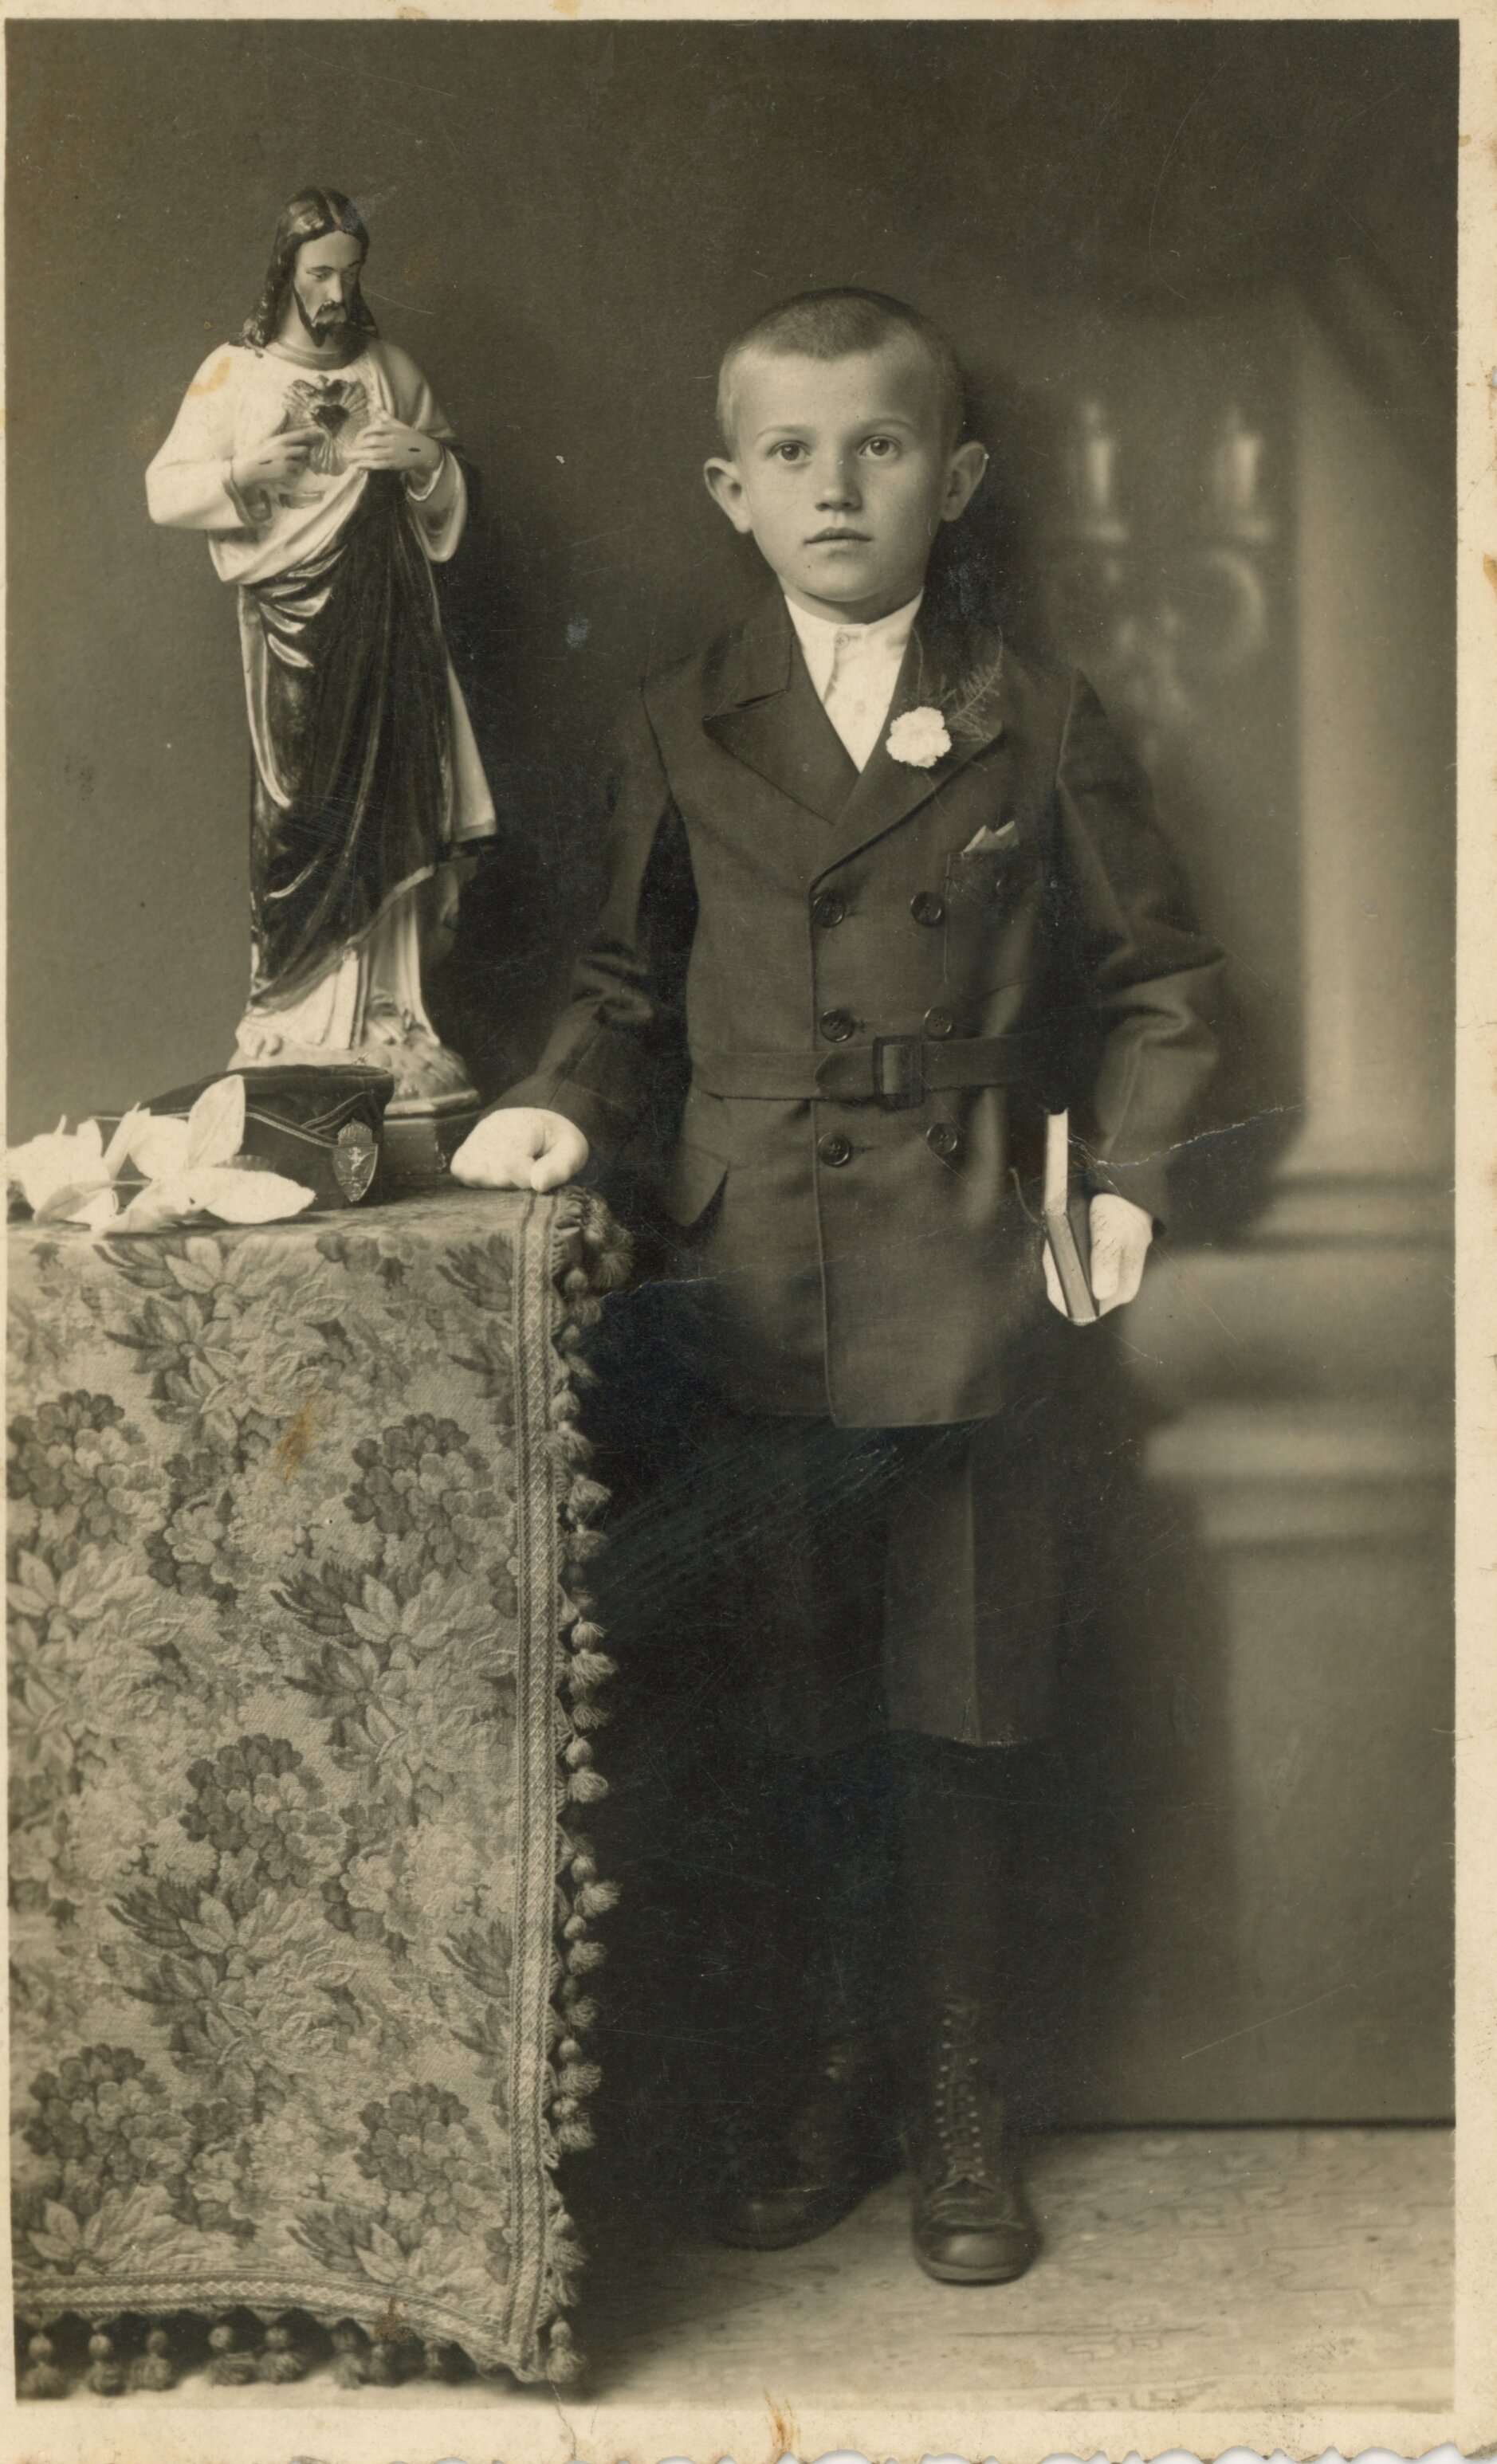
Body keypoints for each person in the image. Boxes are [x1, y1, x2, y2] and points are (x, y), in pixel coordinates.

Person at [452, 288, 1221, 2283]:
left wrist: (1129, 1179)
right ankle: (832, 2073)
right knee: (789, 1704)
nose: (836, 487)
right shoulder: (679, 719)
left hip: (968, 1272)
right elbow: (622, 986)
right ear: (731, 491)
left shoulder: (1035, 712)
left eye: (879, 446)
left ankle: (962, 2102)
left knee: (961, 1705)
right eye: (790, 453)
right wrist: (555, 1104)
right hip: (749, 1280)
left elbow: (1162, 985)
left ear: (953, 479)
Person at [147, 187, 493, 1099]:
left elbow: (451, 480)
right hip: (294, 632)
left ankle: (388, 1018)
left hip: (389, 629)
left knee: (391, 805)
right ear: (285, 274)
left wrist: (423, 460)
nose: (337, 292)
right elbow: (164, 488)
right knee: (300, 813)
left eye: (350, 272)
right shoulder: (234, 372)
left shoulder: (389, 368)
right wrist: (242, 471)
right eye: (320, 274)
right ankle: (292, 1026)